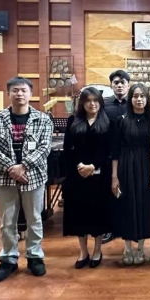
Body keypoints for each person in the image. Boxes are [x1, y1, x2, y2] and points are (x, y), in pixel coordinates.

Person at [0, 77, 53, 283]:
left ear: (30, 94)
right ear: (9, 94)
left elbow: (44, 148)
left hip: (33, 176)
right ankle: (8, 258)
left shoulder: (43, 120)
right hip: (4, 178)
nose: (19, 94)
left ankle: (34, 256)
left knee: (34, 219)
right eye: (15, 90)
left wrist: (23, 166)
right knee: (7, 221)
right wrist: (11, 168)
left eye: (23, 90)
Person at [62, 87, 115, 269]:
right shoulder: (73, 121)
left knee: (98, 214)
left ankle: (97, 250)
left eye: (95, 100)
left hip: (100, 176)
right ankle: (83, 251)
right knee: (79, 214)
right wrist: (79, 166)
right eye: (88, 101)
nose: (92, 104)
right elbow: (67, 149)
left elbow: (109, 151)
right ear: (82, 103)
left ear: (100, 102)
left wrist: (94, 166)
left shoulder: (108, 122)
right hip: (77, 175)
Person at [112, 83, 150, 265]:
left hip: (146, 166)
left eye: (142, 96)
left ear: (147, 99)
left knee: (145, 205)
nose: (139, 99)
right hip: (126, 166)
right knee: (127, 205)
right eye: (135, 96)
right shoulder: (121, 120)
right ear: (130, 99)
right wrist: (114, 176)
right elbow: (115, 151)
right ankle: (127, 248)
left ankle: (141, 248)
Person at [102, 69, 130, 244]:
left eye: (122, 82)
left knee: (127, 191)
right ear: (111, 85)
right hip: (108, 156)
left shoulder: (134, 104)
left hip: (128, 156)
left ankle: (126, 226)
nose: (119, 85)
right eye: (116, 83)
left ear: (128, 85)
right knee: (109, 192)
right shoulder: (104, 105)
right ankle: (110, 229)